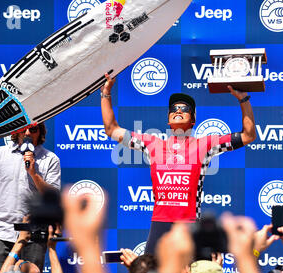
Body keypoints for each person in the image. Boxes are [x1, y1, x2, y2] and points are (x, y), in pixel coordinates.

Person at [100, 73, 256, 254]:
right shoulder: (152, 144)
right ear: (168, 119)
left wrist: (243, 99)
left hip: (190, 225)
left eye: (185, 108)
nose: (178, 111)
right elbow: (111, 129)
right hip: (160, 224)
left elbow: (248, 135)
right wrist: (106, 92)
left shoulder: (205, 145)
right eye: (174, 109)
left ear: (193, 119)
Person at [0, 123, 61, 273]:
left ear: (40, 132)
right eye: (23, 128)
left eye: (33, 129)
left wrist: (34, 173)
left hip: (34, 233)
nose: (27, 133)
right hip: (1, 231)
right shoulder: (0, 154)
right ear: (15, 131)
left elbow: (52, 198)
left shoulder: (51, 159)